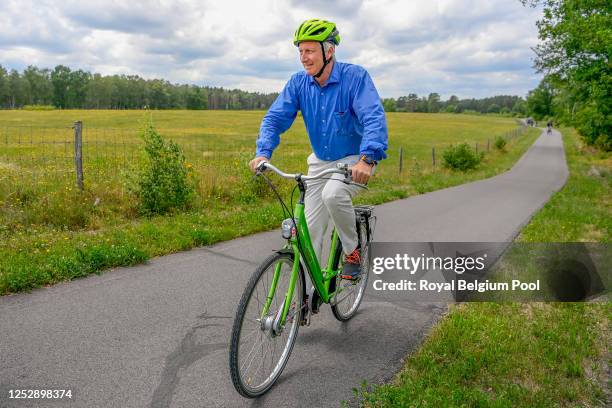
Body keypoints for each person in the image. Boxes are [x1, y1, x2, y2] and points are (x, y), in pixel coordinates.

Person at [249, 18, 388, 279]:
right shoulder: (298, 83)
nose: (304, 57)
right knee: (308, 236)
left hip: (353, 159)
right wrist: (263, 152)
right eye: (300, 51)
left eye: (310, 50)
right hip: (320, 161)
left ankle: (352, 251)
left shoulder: (355, 77)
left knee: (334, 194)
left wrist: (367, 160)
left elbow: (373, 117)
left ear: (329, 51)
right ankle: (306, 297)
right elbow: (274, 118)